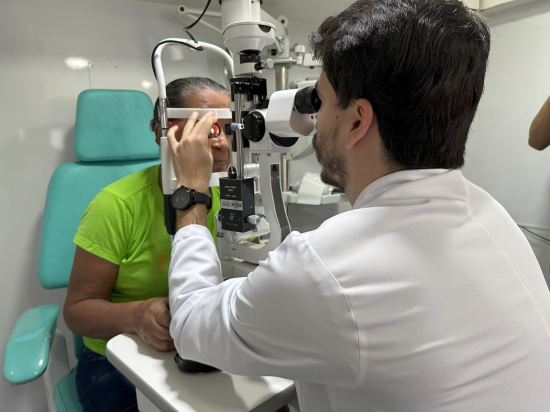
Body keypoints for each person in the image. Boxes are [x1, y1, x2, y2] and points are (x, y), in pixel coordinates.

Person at [165, 1, 550, 412]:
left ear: (356, 121)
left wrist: (192, 192)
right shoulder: (491, 215)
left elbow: (189, 325)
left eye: (320, 102)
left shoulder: (326, 268)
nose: (314, 121)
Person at [63, 77, 231, 412]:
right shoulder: (116, 205)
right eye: (209, 128)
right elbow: (77, 312)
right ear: (163, 131)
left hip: (195, 345)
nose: (223, 143)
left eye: (230, 129)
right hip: (117, 355)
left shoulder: (223, 194)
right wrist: (137, 315)